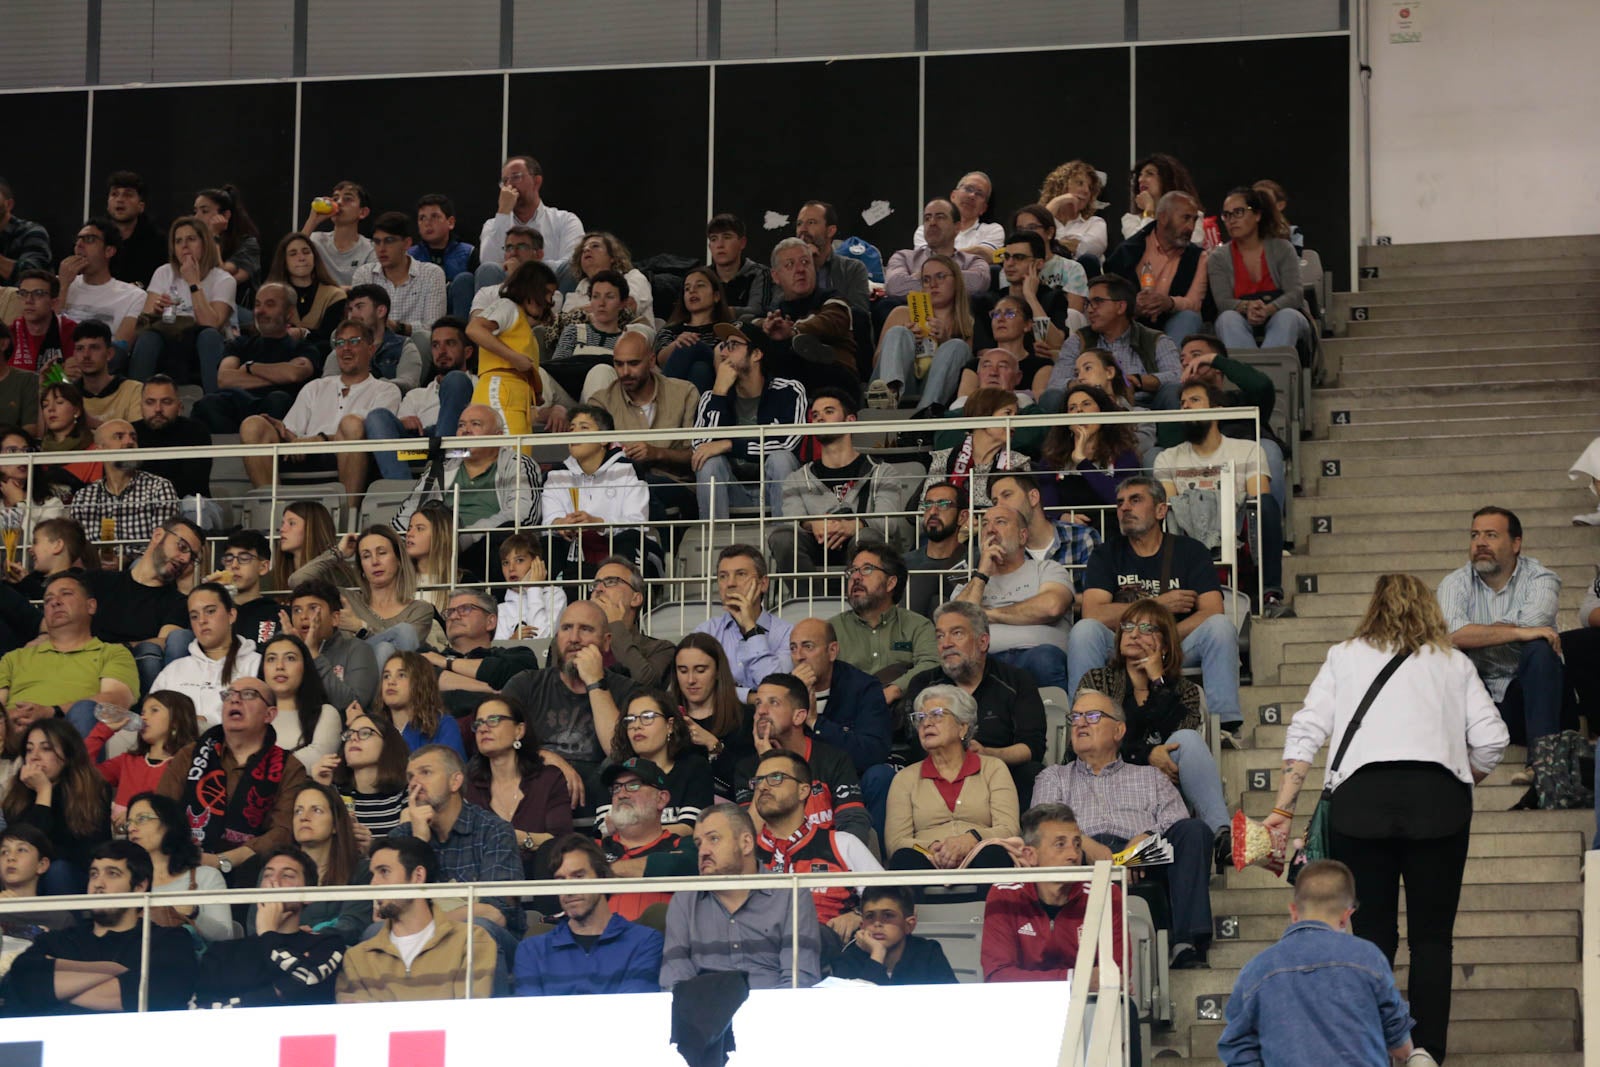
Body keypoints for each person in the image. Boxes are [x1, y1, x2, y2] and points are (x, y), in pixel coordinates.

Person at [1265, 573, 1509, 1062]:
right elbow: (1492, 740)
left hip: (1361, 802)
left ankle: (1376, 1046)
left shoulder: (1344, 656)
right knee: (1433, 939)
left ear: (1372, 607)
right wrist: (1459, 777)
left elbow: (1306, 730)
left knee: (1372, 935)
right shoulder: (1454, 663)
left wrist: (1283, 808)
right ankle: (1426, 1052)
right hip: (1439, 803)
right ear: (1431, 609)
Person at [1033, 688, 1215, 969]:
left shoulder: (1150, 777)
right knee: (1053, 846)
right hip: (1080, 858)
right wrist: (1082, 842)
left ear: (1118, 730)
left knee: (1193, 831)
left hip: (1143, 860)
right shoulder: (1054, 776)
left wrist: (1147, 838)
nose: (1080, 723)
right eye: (1075, 717)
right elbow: (1041, 824)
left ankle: (1186, 944)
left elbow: (1176, 820)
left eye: (1092, 716)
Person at [1067, 477, 1243, 737]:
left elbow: (1212, 610)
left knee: (1220, 627)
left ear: (1161, 510)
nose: (1125, 508)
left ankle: (1223, 728)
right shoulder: (1106, 554)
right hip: (1123, 646)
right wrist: (1158, 605)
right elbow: (1093, 612)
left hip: (1175, 645)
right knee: (1084, 631)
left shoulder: (1191, 551)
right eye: (1120, 503)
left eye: (1135, 500)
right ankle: (1083, 723)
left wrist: (1164, 638)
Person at [1219, 859, 1419, 1067]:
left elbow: (1237, 1046)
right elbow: (1402, 1047)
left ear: (1293, 912)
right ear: (1346, 915)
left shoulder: (1256, 969)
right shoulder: (1369, 958)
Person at [1078, 600, 1229, 836]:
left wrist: (1158, 682)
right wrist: (1147, 754)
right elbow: (1091, 739)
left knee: (1188, 739)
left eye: (1147, 629)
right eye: (1128, 627)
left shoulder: (1184, 690)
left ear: (1165, 645)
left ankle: (1222, 835)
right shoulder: (1097, 681)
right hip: (1107, 780)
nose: (1134, 634)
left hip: (1164, 783)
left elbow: (1179, 732)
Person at [2, 841, 198, 1014]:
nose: (98, 884)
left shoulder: (168, 940)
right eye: (94, 874)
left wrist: (55, 991)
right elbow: (20, 984)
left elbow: (158, 995)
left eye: (112, 874)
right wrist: (112, 971)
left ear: (140, 886)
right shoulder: (56, 940)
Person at [157, 676, 309, 885]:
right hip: (185, 867)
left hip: (255, 875)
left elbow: (283, 832)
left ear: (269, 714)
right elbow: (161, 812)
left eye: (248, 695)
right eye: (228, 695)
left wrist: (222, 860)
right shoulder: (190, 755)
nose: (235, 700)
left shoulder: (289, 767)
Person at [1436, 506, 1561, 754]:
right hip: (1479, 696)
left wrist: (1476, 634)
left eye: (1491, 535)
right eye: (1475, 535)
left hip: (1529, 695)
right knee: (1448, 656)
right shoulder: (1454, 583)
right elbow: (1452, 634)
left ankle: (1543, 760)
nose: (1480, 543)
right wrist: (1517, 632)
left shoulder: (1541, 578)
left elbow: (1533, 623)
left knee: (1540, 650)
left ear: (1516, 544)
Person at [388, 744, 525, 969]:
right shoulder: (401, 837)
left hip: (488, 939)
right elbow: (387, 912)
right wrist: (419, 843)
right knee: (374, 934)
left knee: (478, 930)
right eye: (411, 776)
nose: (414, 783)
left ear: (455, 781)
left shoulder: (494, 831)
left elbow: (495, 913)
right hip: (416, 940)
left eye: (426, 772)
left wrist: (421, 924)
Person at [659, 802, 823, 990]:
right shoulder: (685, 900)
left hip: (775, 1006)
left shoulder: (790, 894)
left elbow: (799, 981)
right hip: (705, 1007)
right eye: (699, 843)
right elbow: (675, 983)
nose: (703, 851)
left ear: (746, 843)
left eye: (713, 839)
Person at [239, 319, 401, 508]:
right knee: (252, 425)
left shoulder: (386, 390)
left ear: (371, 349)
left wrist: (320, 440)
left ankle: (348, 516)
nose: (346, 348)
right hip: (303, 456)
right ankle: (271, 512)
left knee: (352, 424)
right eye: (340, 343)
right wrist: (281, 429)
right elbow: (293, 434)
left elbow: (376, 435)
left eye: (354, 341)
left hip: (352, 459)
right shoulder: (315, 387)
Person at [1156, 380, 1286, 613]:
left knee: (1265, 505)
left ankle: (1270, 595)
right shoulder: (1167, 458)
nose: (1186, 407)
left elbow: (1258, 502)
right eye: (1182, 403)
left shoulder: (1248, 450)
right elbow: (1171, 509)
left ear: (1217, 410)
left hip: (1238, 538)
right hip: (1190, 539)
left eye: (1194, 400)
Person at [902, 600, 1048, 804]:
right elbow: (915, 743)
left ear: (983, 642)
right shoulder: (924, 684)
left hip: (1000, 777)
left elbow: (1032, 747)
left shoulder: (1016, 681)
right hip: (937, 777)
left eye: (957, 633)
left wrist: (987, 754)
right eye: (940, 636)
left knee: (1032, 773)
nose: (946, 644)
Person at [499, 600, 640, 806]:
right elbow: (498, 740)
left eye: (585, 629)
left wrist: (595, 682)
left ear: (606, 641)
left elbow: (619, 754)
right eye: (566, 628)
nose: (574, 638)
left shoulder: (627, 691)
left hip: (600, 799)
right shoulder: (526, 684)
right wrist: (546, 758)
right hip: (532, 792)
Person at [388, 402, 544, 575]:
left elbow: (523, 516)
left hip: (487, 551)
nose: (466, 430)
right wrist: (395, 542)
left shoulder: (518, 464)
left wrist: (464, 537)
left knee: (506, 534)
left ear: (498, 436)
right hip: (436, 550)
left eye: (475, 424)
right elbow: (408, 510)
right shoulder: (442, 465)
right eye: (461, 425)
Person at [335, 834, 497, 1002]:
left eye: (384, 872)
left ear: (418, 876)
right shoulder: (357, 958)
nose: (373, 883)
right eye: (372, 875)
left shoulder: (471, 940)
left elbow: (470, 1013)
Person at [770, 388, 912, 574]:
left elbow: (888, 523)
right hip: (815, 548)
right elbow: (791, 521)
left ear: (850, 420)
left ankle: (859, 589)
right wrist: (813, 523)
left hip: (863, 550)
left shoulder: (882, 471)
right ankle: (812, 593)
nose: (820, 419)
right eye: (815, 415)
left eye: (829, 411)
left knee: (868, 536)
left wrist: (854, 525)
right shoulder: (796, 478)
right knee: (782, 537)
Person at [981, 801, 1127, 978]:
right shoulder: (1005, 895)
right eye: (1060, 844)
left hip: (1086, 998)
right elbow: (998, 977)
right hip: (1035, 999)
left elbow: (1115, 976)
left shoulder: (1105, 894)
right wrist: (1074, 979)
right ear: (1030, 855)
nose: (1073, 855)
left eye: (1077, 844)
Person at [752, 747, 883, 940]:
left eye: (776, 778)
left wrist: (859, 915)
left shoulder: (842, 844)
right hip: (755, 948)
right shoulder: (743, 853)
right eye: (758, 781)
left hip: (827, 947)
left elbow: (890, 899)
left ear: (803, 790)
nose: (763, 786)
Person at [192, 847, 346, 1007]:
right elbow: (202, 1009)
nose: (274, 882)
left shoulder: (327, 944)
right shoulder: (224, 951)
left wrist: (268, 933)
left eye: (287, 875)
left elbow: (306, 982)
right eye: (267, 875)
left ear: (308, 895)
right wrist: (276, 993)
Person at [512, 833, 664, 996]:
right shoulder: (532, 950)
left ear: (602, 877)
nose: (569, 890)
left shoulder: (644, 941)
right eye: (560, 880)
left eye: (578, 876)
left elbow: (633, 1008)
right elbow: (530, 1011)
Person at [886, 684, 1019, 870]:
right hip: (928, 861)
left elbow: (1009, 829)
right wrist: (931, 848)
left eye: (937, 714)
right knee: (904, 858)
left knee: (994, 853)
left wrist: (972, 839)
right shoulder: (904, 779)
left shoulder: (993, 769)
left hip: (980, 856)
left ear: (962, 727)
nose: (926, 723)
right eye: (921, 717)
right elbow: (896, 842)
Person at [734, 673, 871, 845]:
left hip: (827, 857)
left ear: (798, 716)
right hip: (774, 859)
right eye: (758, 703)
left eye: (773, 703)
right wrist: (767, 764)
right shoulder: (747, 769)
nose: (761, 711)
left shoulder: (833, 759)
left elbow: (853, 823)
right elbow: (749, 836)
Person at [951, 503, 1075, 691]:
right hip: (985, 662)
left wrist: (986, 615)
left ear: (1022, 536)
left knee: (1043, 659)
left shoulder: (1046, 569)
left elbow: (1052, 607)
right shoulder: (971, 585)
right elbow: (957, 623)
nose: (990, 529)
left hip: (1036, 657)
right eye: (984, 524)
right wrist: (982, 573)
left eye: (1000, 522)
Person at [0, 571, 137, 740]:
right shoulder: (14, 658)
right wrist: (9, 717)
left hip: (71, 738)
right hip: (13, 736)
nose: (55, 602)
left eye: (66, 594)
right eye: (48, 600)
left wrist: (52, 712)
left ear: (91, 606)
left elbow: (116, 700)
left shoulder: (112, 653)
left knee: (85, 710)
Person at [691, 322, 806, 521]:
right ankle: (714, 538)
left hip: (775, 489)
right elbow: (702, 448)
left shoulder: (788, 391)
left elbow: (787, 443)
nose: (723, 353)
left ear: (756, 354)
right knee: (709, 462)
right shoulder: (712, 397)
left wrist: (729, 444)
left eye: (733, 345)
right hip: (732, 491)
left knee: (781, 459)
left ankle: (785, 536)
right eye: (723, 346)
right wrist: (719, 393)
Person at [542, 403, 661, 582]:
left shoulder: (627, 470)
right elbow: (549, 520)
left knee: (631, 539)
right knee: (548, 543)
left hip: (619, 548)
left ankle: (624, 590)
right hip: (575, 553)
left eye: (583, 427)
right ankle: (553, 596)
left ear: (604, 439)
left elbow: (636, 522)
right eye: (571, 428)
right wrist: (561, 524)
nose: (574, 433)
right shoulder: (556, 474)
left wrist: (598, 524)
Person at [1041, 274, 1183, 413]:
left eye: (1098, 301)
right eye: (1088, 303)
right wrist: (1086, 383)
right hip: (1088, 407)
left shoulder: (1155, 340)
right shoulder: (1078, 340)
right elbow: (1055, 383)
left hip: (1143, 408)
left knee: (1173, 391)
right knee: (1051, 397)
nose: (1089, 309)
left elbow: (1178, 376)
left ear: (1121, 306)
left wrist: (1137, 380)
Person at [463, 696, 573, 876]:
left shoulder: (548, 779)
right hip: (486, 884)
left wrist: (519, 839)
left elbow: (562, 842)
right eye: (478, 724)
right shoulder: (470, 787)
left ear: (519, 730)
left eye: (493, 720)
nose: (483, 728)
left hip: (542, 881)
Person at [601, 329, 701, 524]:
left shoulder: (684, 393)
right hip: (619, 488)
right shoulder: (602, 401)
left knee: (644, 489)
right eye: (619, 364)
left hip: (675, 485)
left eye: (633, 363)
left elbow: (696, 454)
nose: (625, 372)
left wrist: (657, 453)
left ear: (652, 361)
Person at [3, 718, 112, 893]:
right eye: (29, 750)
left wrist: (44, 791)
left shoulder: (93, 790)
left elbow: (88, 852)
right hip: (28, 878)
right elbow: (24, 850)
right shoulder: (19, 795)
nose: (35, 756)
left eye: (46, 748)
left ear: (68, 754)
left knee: (57, 870)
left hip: (77, 875)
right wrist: (43, 793)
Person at [191, 282, 319, 431]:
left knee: (278, 399)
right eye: (257, 304)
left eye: (270, 304)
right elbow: (224, 379)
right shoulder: (239, 344)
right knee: (208, 403)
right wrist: (279, 377)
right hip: (238, 406)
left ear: (289, 313)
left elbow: (294, 374)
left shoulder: (303, 348)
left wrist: (250, 367)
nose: (260, 311)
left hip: (277, 410)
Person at [365, 316, 477, 480]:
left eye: (450, 343)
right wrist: (404, 423)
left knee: (456, 380)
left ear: (467, 352)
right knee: (377, 416)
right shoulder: (416, 395)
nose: (442, 351)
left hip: (461, 451)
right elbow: (402, 443)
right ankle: (404, 491)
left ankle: (442, 471)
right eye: (435, 345)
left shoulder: (482, 387)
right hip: (421, 451)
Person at [747, 238, 860, 399]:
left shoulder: (834, 299)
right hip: (792, 381)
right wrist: (766, 327)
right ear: (776, 276)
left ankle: (810, 349)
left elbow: (832, 320)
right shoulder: (773, 313)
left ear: (814, 268)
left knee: (788, 349)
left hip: (837, 378)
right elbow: (752, 323)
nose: (800, 269)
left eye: (805, 262)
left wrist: (794, 331)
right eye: (790, 265)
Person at [298, 526, 441, 653]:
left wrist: (361, 628)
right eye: (366, 556)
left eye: (382, 553)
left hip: (396, 673)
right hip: (352, 672)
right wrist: (337, 552)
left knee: (403, 633)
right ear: (362, 568)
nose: (375, 562)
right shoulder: (345, 599)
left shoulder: (419, 610)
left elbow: (405, 653)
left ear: (398, 560)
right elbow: (298, 580)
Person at [831, 542, 940, 708]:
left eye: (867, 569)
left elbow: (932, 663)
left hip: (900, 712)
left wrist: (894, 690)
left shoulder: (918, 626)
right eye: (852, 571)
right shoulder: (832, 629)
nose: (856, 577)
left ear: (890, 583)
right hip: (849, 713)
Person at [129, 216, 236, 384]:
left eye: (191, 239)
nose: (184, 246)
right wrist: (157, 310)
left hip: (202, 341)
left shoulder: (224, 279)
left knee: (209, 336)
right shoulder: (164, 272)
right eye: (178, 241)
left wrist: (193, 282)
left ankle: (214, 398)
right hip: (169, 336)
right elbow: (145, 320)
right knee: (148, 338)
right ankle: (135, 396)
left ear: (205, 244)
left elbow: (211, 325)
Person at [1207, 186, 1312, 353]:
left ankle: (1270, 368)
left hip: (1281, 312)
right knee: (1227, 318)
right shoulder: (1218, 257)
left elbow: (1295, 294)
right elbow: (1223, 301)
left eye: (1239, 212)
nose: (1232, 220)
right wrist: (1247, 307)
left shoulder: (1283, 248)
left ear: (1257, 215)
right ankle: (1249, 370)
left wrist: (1268, 309)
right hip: (1241, 317)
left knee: (1287, 316)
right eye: (1226, 215)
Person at [787, 616, 894, 778]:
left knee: (880, 775)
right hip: (798, 779)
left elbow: (874, 752)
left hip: (850, 778)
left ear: (832, 651)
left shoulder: (863, 688)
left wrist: (814, 721)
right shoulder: (784, 690)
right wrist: (794, 696)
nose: (798, 656)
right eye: (793, 648)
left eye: (808, 646)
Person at [596, 755, 698, 921]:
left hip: (665, 935)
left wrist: (604, 870)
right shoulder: (593, 847)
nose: (621, 794)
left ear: (661, 799)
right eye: (616, 788)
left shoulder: (684, 845)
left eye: (633, 785)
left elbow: (682, 866)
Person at [868, 254, 975, 413]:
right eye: (926, 279)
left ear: (956, 281)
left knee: (956, 346)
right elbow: (877, 363)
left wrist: (945, 340)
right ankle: (889, 395)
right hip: (898, 387)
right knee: (899, 332)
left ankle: (925, 413)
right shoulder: (900, 313)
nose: (933, 284)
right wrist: (903, 346)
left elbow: (969, 372)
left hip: (935, 393)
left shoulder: (967, 322)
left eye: (940, 277)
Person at [121, 791, 232, 941]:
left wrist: (194, 913)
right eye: (128, 823)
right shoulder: (125, 882)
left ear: (168, 823)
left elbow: (226, 938)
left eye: (142, 819)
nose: (131, 828)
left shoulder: (206, 876)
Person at [150, 583, 263, 728]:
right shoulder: (173, 670)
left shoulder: (257, 664)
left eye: (210, 611)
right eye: (194, 616)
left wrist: (205, 724)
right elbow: (152, 719)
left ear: (231, 615)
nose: (202, 621)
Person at [600, 691, 713, 837]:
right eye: (631, 719)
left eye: (648, 717)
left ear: (670, 725)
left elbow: (690, 829)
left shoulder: (694, 768)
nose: (636, 726)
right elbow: (602, 832)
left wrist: (631, 832)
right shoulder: (613, 773)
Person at [692, 543, 794, 700]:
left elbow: (776, 689)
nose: (730, 583)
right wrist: (749, 697)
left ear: (763, 584)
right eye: (723, 576)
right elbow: (696, 687)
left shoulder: (788, 634)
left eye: (740, 574)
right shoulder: (706, 632)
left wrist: (751, 629)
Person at [1106, 191, 1208, 342]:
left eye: (1194, 220)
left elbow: (1194, 303)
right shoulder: (1128, 251)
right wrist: (1133, 305)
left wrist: (1170, 303)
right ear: (1163, 217)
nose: (1191, 227)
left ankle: (1169, 357)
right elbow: (1109, 297)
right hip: (1132, 323)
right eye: (1186, 218)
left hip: (1173, 323)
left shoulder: (1199, 257)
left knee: (1189, 316)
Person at [282, 781, 372, 944]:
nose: (304, 817)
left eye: (316, 810)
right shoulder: (275, 871)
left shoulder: (361, 871)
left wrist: (306, 938)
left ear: (335, 825)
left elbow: (352, 924)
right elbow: (257, 927)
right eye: (298, 811)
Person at [67, 418, 180, 544]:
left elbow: (162, 546)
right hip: (97, 557)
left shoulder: (159, 488)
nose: (130, 442)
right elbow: (79, 548)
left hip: (144, 557)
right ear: (99, 449)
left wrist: (128, 555)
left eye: (133, 437)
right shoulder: (83, 497)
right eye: (119, 437)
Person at [668, 632, 753, 798]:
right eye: (683, 671)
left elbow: (748, 783)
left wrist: (713, 745)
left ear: (718, 672)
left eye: (700, 670)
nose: (690, 680)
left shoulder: (745, 718)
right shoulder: (665, 717)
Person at [86, 689, 198, 814]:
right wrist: (102, 731)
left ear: (176, 721)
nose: (143, 717)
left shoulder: (185, 765)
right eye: (142, 712)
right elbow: (83, 774)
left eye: (154, 710)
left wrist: (135, 817)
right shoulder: (127, 761)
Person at [427, 586, 544, 702]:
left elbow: (507, 674)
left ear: (490, 622)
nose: (453, 617)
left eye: (465, 609)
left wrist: (446, 662)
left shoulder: (519, 656)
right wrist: (487, 689)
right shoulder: (430, 656)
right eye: (450, 612)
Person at [922, 386, 1031, 510]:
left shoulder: (1019, 462)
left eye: (1015, 415)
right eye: (1008, 413)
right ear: (982, 414)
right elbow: (925, 510)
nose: (1014, 421)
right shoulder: (944, 459)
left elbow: (1024, 511)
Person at [831, 884, 958, 985]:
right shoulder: (849, 958)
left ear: (909, 925)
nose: (877, 923)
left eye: (888, 915)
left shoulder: (928, 952)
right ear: (862, 925)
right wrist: (877, 955)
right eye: (870, 916)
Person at [349, 211, 447, 341]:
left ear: (407, 243)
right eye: (377, 242)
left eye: (389, 241)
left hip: (415, 345)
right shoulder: (364, 274)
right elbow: (357, 320)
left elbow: (433, 327)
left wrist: (397, 327)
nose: (381, 249)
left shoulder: (431, 274)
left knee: (424, 338)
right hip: (372, 342)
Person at [478, 155, 585, 273]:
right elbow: (487, 264)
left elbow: (572, 264)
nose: (509, 185)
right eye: (505, 181)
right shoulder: (492, 225)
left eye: (516, 177)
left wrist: (524, 268)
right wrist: (503, 212)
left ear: (536, 181)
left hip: (550, 283)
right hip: (506, 283)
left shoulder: (566, 221)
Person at [287, 578, 380, 713]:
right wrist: (290, 653)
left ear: (335, 618)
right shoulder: (286, 651)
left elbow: (354, 705)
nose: (303, 616)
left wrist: (314, 655)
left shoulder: (357, 649)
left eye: (313, 608)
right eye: (297, 610)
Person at [988, 470, 1102, 578]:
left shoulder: (1082, 538)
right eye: (995, 502)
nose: (999, 506)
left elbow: (1095, 591)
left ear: (1033, 497)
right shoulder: (1001, 550)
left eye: (1007, 495)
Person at [318, 708, 409, 841]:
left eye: (365, 733)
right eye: (349, 734)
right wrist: (320, 787)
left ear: (387, 744)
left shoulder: (405, 794)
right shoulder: (335, 791)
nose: (353, 738)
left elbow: (407, 849)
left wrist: (369, 848)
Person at [585, 556, 674, 690]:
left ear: (636, 599)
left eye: (611, 581)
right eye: (595, 584)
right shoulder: (575, 639)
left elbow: (644, 686)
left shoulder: (660, 649)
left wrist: (615, 625)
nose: (598, 589)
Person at [257, 633, 345, 769]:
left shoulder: (325, 714)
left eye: (290, 658)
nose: (279, 666)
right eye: (271, 659)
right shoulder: (251, 714)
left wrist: (256, 766)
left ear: (305, 667)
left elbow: (317, 759)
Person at [131, 375, 214, 512]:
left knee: (194, 508)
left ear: (179, 407)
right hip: (140, 505)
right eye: (150, 402)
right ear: (141, 407)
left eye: (166, 402)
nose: (158, 409)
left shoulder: (196, 431)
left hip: (187, 504)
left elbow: (193, 484)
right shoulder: (130, 434)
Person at [59, 216, 144, 346]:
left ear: (109, 251)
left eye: (89, 239)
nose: (79, 245)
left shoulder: (134, 296)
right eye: (78, 240)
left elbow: (120, 349)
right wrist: (63, 286)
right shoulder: (60, 284)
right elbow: (43, 333)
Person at [884, 199, 993, 301]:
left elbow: (978, 283)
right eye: (927, 218)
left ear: (957, 227)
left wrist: (919, 277)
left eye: (940, 217)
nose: (932, 223)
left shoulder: (974, 261)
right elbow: (894, 287)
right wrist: (948, 278)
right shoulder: (903, 257)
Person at [263, 231, 348, 351]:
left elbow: (331, 339)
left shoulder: (335, 295)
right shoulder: (272, 296)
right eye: (293, 254)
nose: (301, 258)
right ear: (284, 261)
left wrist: (302, 333)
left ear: (314, 257)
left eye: (306, 252)